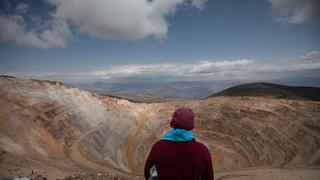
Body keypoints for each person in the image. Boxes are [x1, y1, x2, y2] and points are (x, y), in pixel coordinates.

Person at [144, 107, 214, 180]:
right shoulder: (203, 151)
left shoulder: (158, 147)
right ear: (191, 126)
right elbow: (208, 177)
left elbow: (148, 174)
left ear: (173, 123)